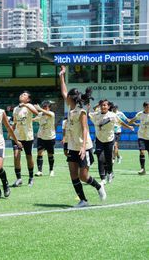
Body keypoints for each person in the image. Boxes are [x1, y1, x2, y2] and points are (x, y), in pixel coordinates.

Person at [59, 65, 106, 208]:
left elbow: (86, 129)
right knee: (73, 174)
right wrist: (61, 75)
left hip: (83, 147)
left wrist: (83, 147)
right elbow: (64, 91)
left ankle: (99, 187)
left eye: (67, 98)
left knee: (83, 176)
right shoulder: (70, 108)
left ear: (71, 99)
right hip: (72, 146)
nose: (65, 98)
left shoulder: (81, 112)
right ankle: (83, 200)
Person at [89, 99, 134, 184]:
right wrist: (88, 106)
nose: (103, 107)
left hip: (109, 140)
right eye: (102, 105)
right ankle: (102, 179)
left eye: (105, 105)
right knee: (100, 158)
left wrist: (129, 127)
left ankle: (110, 172)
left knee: (108, 159)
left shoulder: (112, 115)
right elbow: (88, 114)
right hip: (99, 139)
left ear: (108, 106)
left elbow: (120, 122)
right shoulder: (95, 115)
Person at [12, 91, 38, 187]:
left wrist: (26, 105)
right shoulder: (15, 109)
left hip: (28, 136)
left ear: (28, 99)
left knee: (28, 156)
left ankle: (31, 177)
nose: (21, 95)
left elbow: (36, 112)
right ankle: (19, 178)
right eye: (21, 94)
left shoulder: (29, 106)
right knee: (16, 156)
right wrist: (12, 131)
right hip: (17, 136)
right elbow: (15, 122)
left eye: (24, 95)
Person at [33, 101, 56, 177]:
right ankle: (40, 171)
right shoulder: (40, 114)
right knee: (39, 153)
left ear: (49, 108)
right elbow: (34, 119)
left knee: (50, 154)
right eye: (44, 107)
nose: (45, 109)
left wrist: (39, 109)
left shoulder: (51, 114)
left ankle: (51, 170)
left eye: (47, 107)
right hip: (41, 137)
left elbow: (48, 113)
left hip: (50, 137)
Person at [128, 101, 149, 175]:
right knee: (142, 151)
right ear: (144, 107)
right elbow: (132, 121)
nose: (148, 108)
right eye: (147, 107)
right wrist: (131, 122)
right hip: (141, 136)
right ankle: (142, 169)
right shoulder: (140, 114)